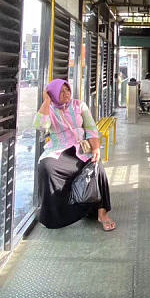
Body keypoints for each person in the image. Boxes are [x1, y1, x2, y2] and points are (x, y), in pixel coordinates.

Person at [33, 78, 116, 231]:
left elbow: (91, 128)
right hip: (59, 151)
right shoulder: (49, 109)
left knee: (98, 170)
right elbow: (40, 126)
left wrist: (96, 148)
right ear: (53, 94)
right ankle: (57, 215)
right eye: (61, 91)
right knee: (46, 167)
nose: (66, 94)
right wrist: (46, 102)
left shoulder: (79, 105)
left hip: (81, 150)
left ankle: (102, 214)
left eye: (67, 90)